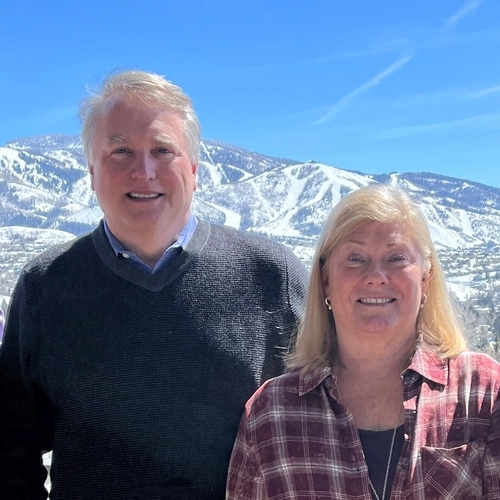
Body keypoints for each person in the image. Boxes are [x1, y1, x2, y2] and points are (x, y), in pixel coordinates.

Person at [0, 70, 308, 500]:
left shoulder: (273, 277)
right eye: (120, 150)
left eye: (162, 150)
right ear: (91, 172)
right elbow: (12, 448)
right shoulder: (44, 287)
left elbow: (327, 422)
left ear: (195, 170)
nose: (143, 171)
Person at [227, 184, 500, 500]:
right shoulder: (271, 413)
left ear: (426, 279)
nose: (377, 276)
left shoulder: (482, 394)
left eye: (396, 257)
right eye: (355, 258)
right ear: (326, 280)